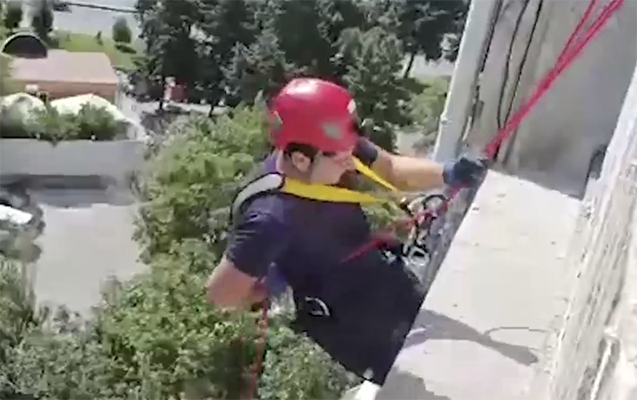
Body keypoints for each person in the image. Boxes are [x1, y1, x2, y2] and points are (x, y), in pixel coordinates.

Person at [205, 78, 486, 385]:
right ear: (301, 159)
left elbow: (391, 169)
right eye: (342, 158)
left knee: (459, 363)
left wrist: (449, 173)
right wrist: (269, 285)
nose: (350, 162)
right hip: (350, 322)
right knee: (425, 384)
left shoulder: (331, 146)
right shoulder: (270, 219)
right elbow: (221, 295)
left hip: (382, 278)